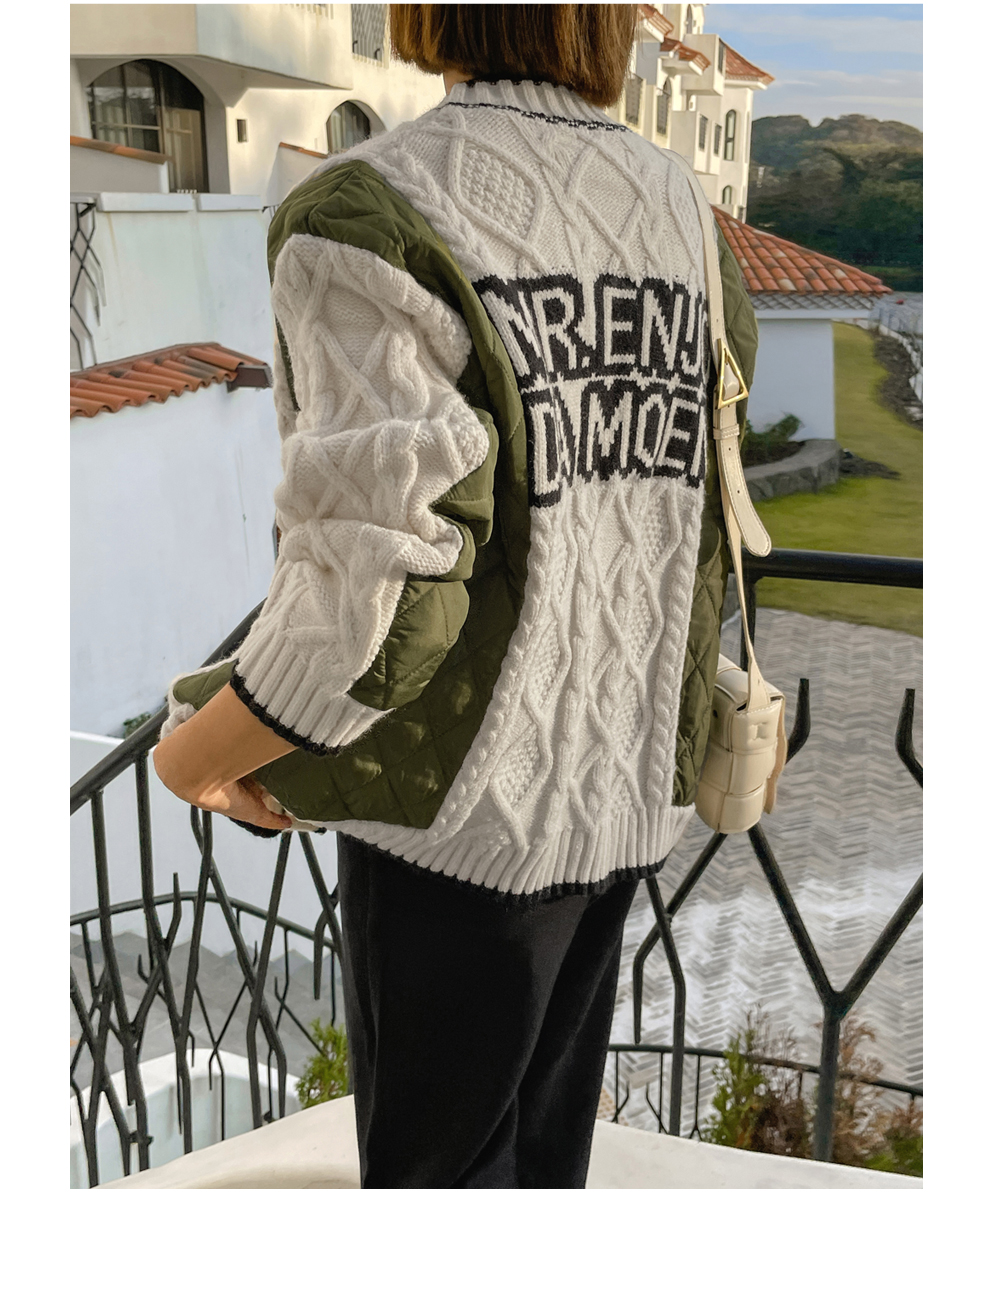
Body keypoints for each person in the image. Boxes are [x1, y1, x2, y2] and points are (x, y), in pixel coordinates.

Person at [153, 3, 759, 1188]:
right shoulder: (680, 207)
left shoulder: (367, 208)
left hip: (460, 822)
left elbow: (381, 585)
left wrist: (193, 758)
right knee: (542, 1167)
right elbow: (698, 503)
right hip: (627, 783)